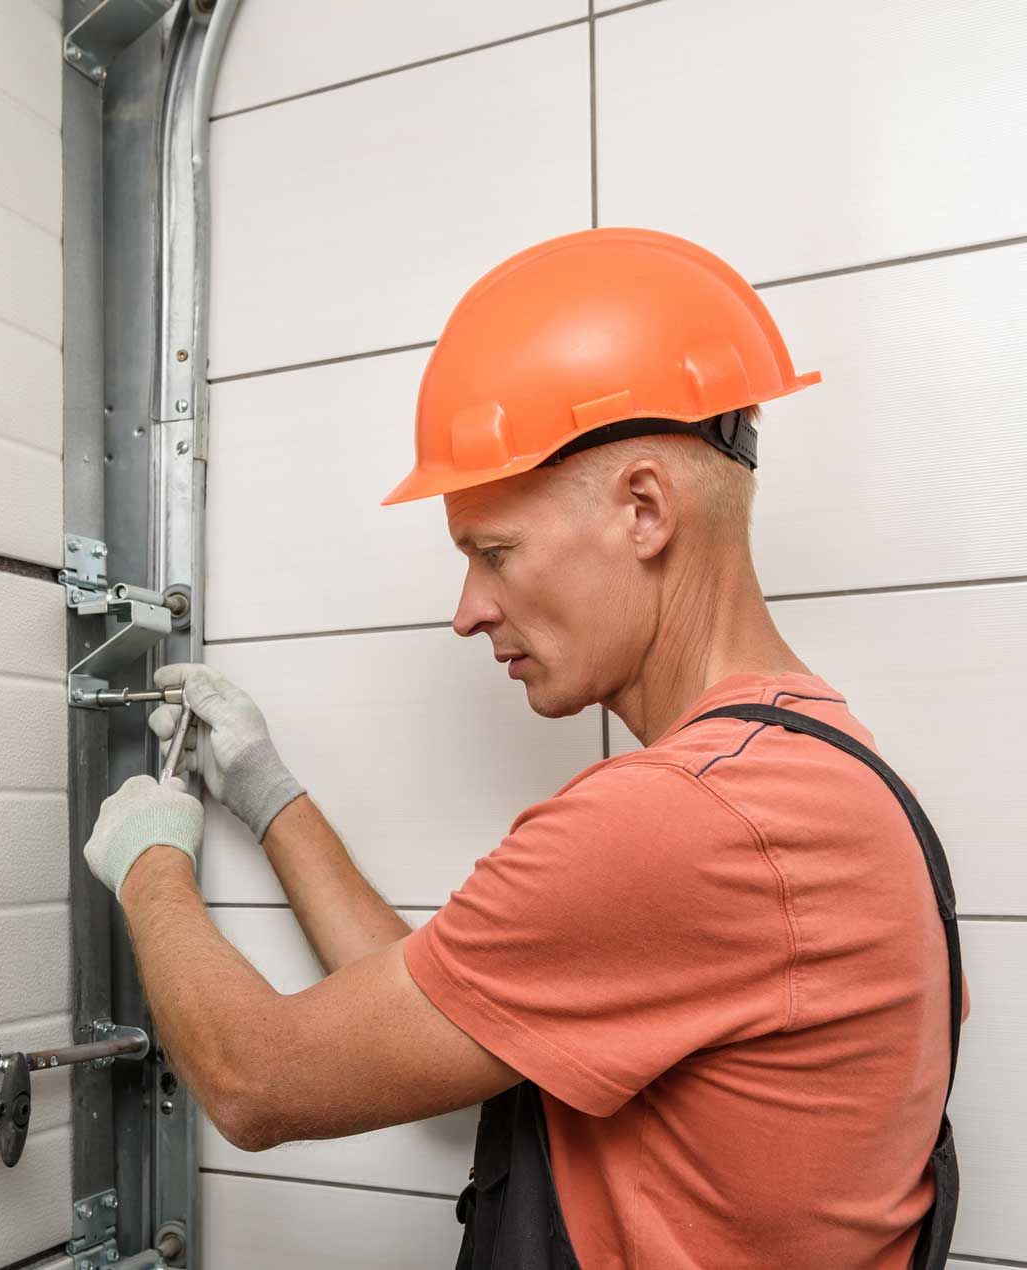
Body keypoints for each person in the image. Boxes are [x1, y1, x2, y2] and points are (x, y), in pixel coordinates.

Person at [81, 228, 962, 1268]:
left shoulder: (679, 823)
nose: (468, 611)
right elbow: (443, 997)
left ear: (644, 509)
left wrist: (150, 864)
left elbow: (256, 1079)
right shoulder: (815, 772)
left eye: (493, 553)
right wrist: (270, 795)